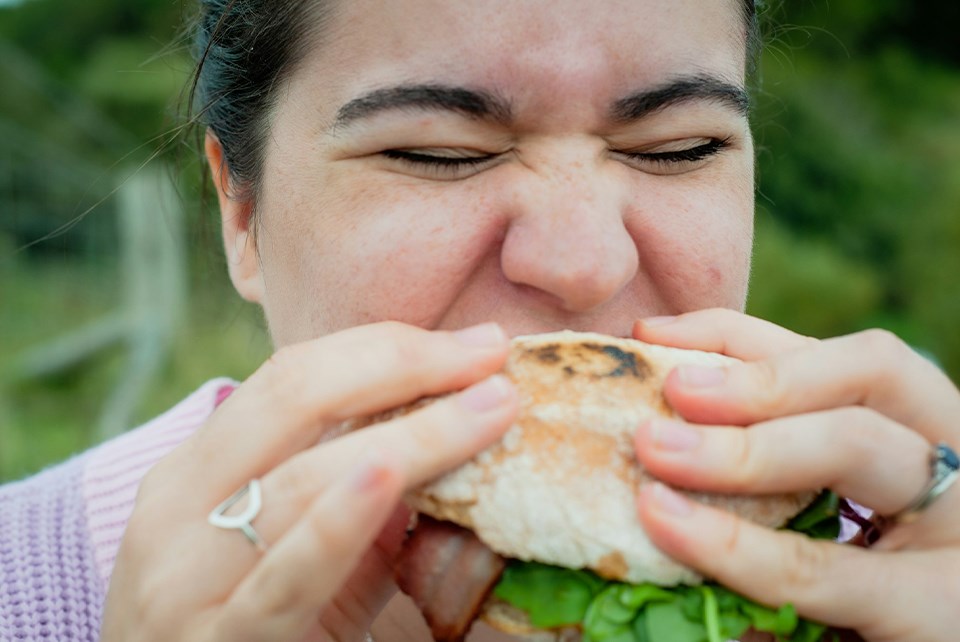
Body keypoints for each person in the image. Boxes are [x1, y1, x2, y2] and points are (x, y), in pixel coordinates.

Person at [1, 0, 958, 640]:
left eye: (680, 147)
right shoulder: (24, 589)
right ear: (241, 216)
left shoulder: (895, 563)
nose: (585, 265)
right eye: (438, 152)